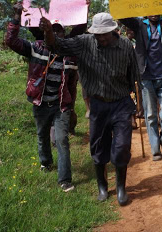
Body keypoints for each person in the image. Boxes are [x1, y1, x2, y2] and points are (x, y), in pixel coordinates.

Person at [40, 12, 142, 206]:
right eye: (97, 34)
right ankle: (102, 187)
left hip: (121, 103)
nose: (101, 37)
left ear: (114, 30)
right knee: (98, 147)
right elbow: (56, 46)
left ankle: (121, 187)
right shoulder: (84, 42)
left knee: (121, 147)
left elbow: (135, 76)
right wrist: (48, 33)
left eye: (105, 33)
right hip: (98, 104)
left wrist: (139, 102)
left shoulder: (126, 46)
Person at [6, 2, 78, 192]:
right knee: (42, 135)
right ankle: (46, 163)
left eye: (58, 31)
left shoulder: (69, 58)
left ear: (63, 34)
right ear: (45, 32)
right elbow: (11, 41)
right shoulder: (35, 49)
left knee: (62, 139)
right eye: (51, 30)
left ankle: (65, 179)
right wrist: (16, 17)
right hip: (40, 103)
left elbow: (72, 85)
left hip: (61, 105)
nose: (55, 34)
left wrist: (72, 109)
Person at [116, 14, 162, 161]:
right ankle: (155, 148)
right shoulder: (139, 24)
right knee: (150, 115)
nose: (154, 13)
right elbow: (122, 17)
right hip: (146, 76)